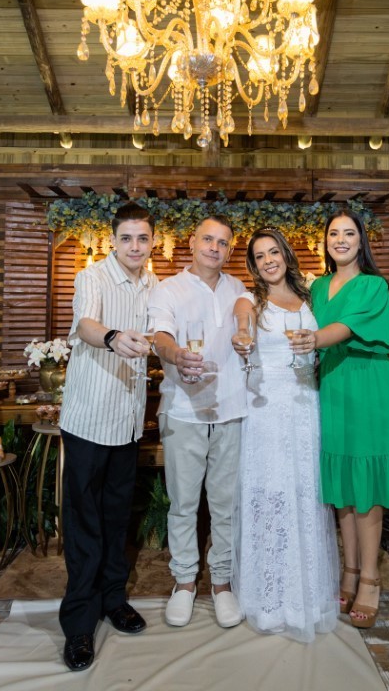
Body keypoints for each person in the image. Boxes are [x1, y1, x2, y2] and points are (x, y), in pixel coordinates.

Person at [293, 209, 389, 629]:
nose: (341, 240)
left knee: (365, 488)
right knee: (343, 486)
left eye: (349, 233)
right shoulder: (318, 286)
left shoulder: (373, 285)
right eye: (334, 233)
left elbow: (346, 328)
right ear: (325, 241)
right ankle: (348, 570)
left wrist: (314, 338)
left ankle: (370, 578)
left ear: (361, 240)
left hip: (367, 387)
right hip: (332, 386)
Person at [58, 202, 158, 671]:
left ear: (152, 241)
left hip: (128, 421)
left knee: (117, 517)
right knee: (84, 522)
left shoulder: (154, 283)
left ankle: (114, 600)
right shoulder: (92, 277)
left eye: (143, 238)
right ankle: (79, 621)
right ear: (113, 240)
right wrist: (114, 336)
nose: (135, 247)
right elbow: (85, 325)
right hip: (88, 419)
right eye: (127, 238)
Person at [231, 228, 339, 642]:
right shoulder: (250, 300)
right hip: (267, 410)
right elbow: (242, 325)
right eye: (260, 256)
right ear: (253, 265)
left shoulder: (313, 298)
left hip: (307, 405)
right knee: (271, 495)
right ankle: (269, 598)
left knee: (306, 495)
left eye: (273, 252)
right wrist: (243, 336)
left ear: (286, 255)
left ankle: (307, 596)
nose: (268, 261)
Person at [148, 215, 247, 629]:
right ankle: (185, 582)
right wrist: (176, 356)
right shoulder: (168, 288)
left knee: (226, 504)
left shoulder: (240, 289)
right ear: (191, 242)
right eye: (208, 239)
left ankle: (222, 582)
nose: (214, 248)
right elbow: (160, 337)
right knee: (183, 503)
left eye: (222, 243)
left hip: (232, 409)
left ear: (229, 250)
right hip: (183, 411)